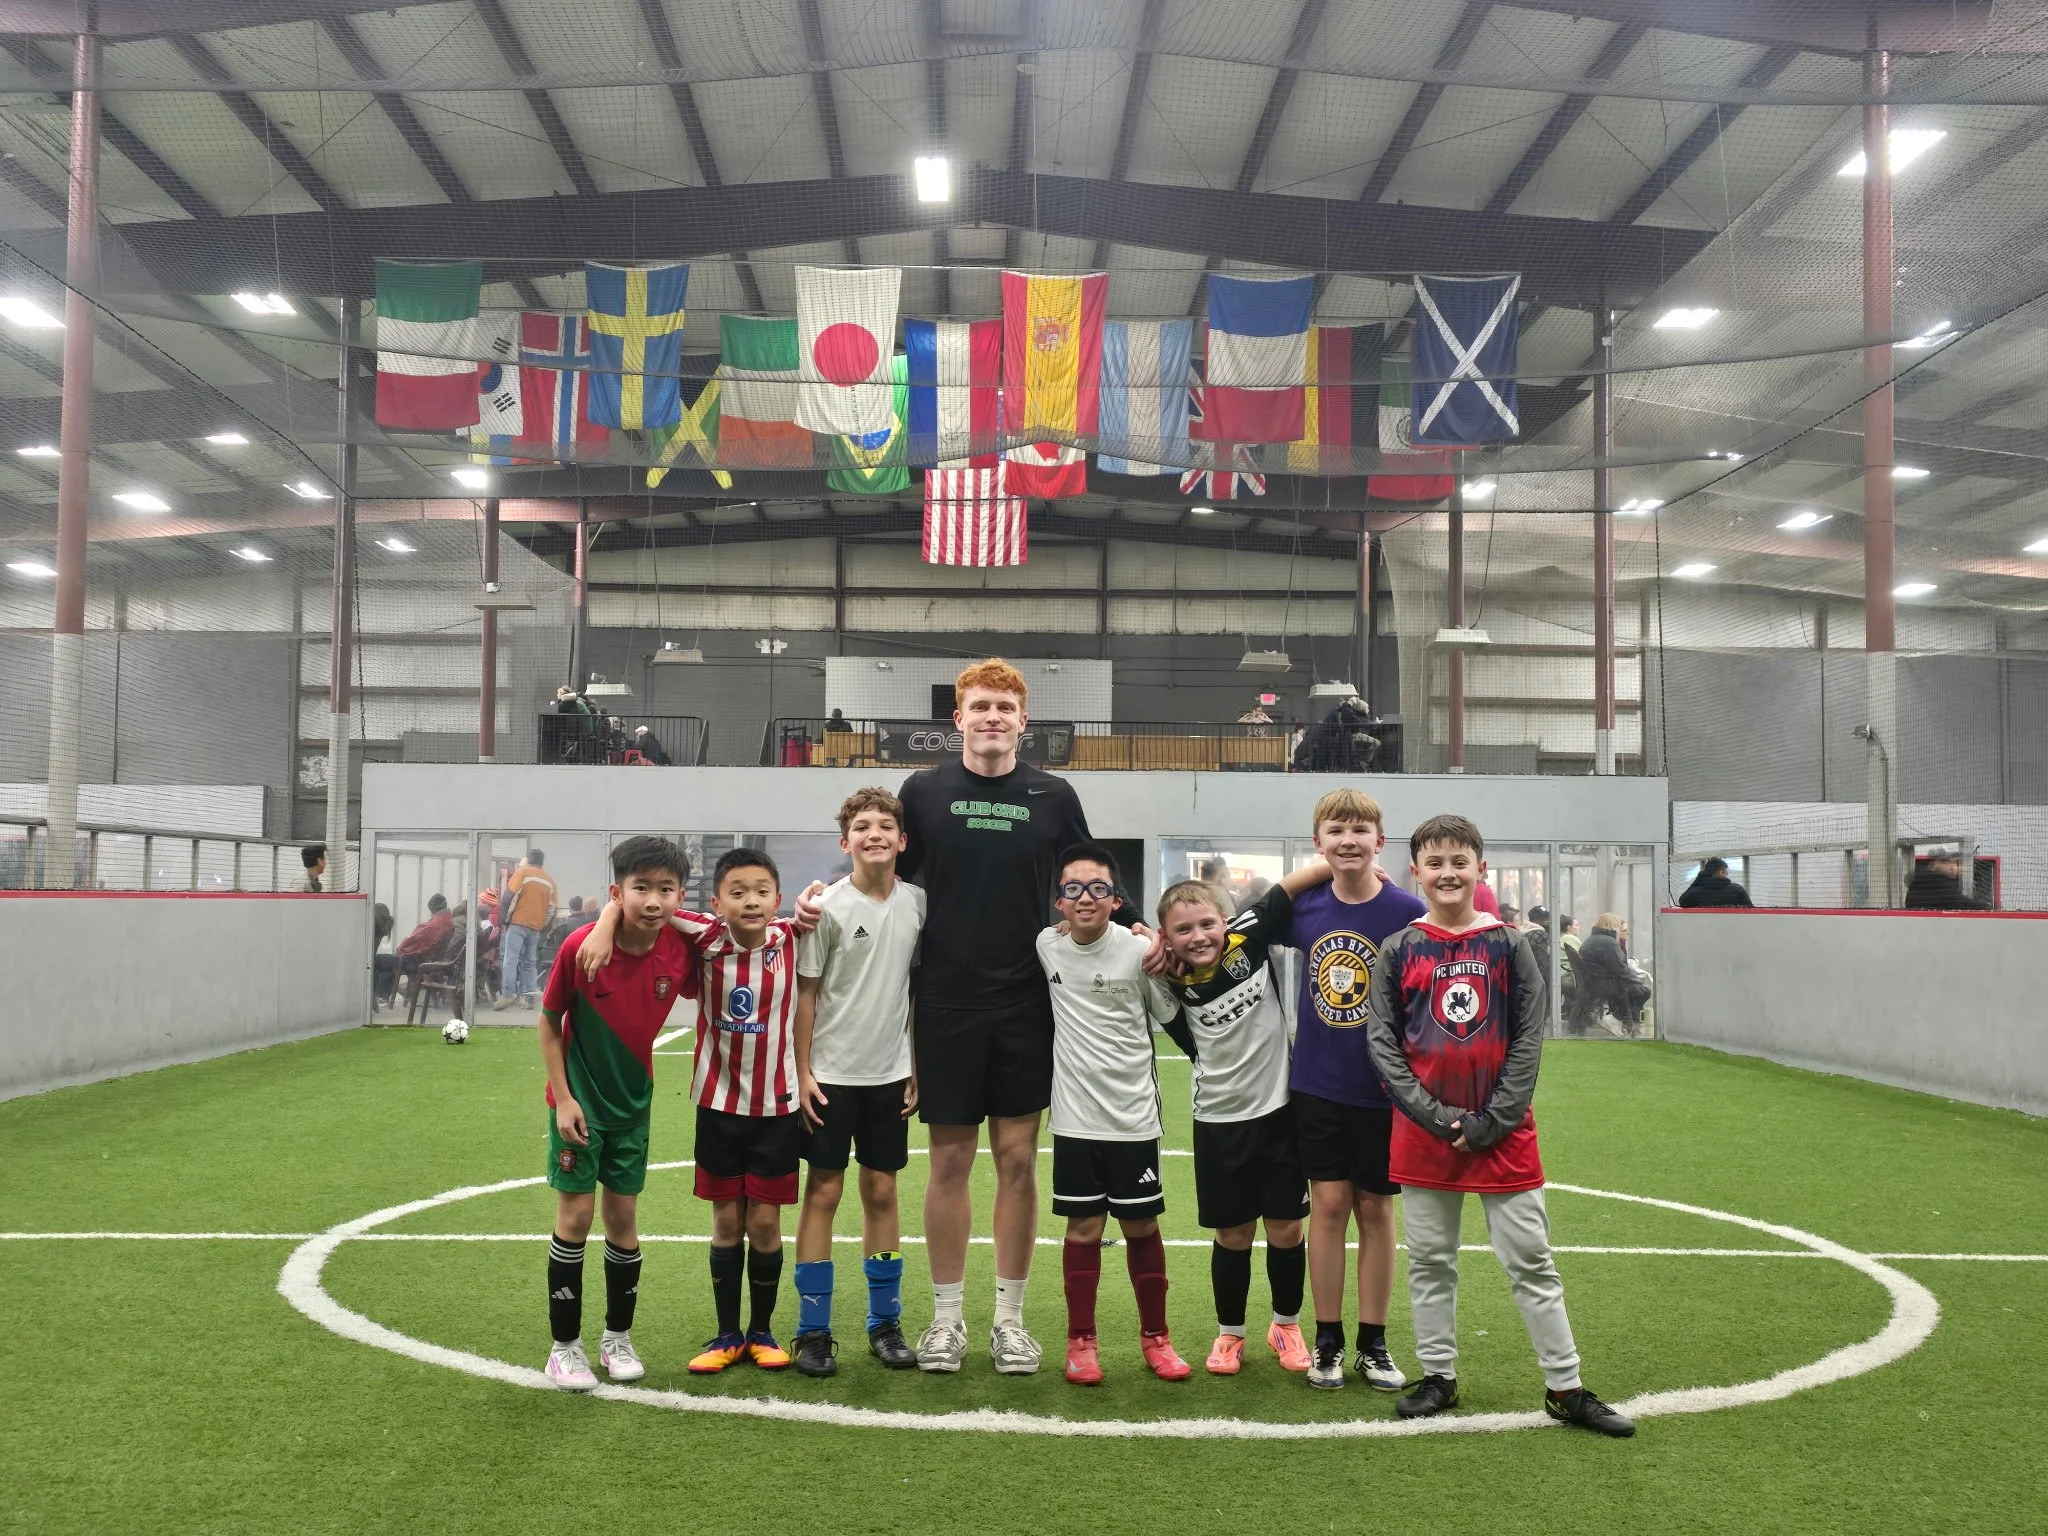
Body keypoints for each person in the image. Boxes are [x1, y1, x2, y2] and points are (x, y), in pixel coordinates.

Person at [799, 658, 1131, 1378]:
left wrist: (1139, 930)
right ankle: (946, 1320)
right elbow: (882, 864)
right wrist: (819, 894)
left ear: (1023, 721)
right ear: (957, 720)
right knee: (949, 1163)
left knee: (1018, 1163)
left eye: (1004, 709)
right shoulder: (923, 790)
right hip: (943, 1004)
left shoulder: (1053, 793)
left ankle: (1009, 1322)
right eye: (978, 707)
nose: (991, 718)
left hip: (1026, 1003)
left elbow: (1089, 874)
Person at [1365, 813, 1634, 1437]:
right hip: (1424, 1134)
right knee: (1430, 1260)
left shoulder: (1513, 944)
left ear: (1479, 869)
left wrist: (1493, 1119)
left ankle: (1564, 1387)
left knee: (1532, 1262)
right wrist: (1438, 1117)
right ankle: (1438, 1376)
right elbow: (1383, 1043)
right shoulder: (1399, 948)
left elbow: (1527, 1039)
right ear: (1417, 872)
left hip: (1504, 1134)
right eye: (1435, 862)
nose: (1448, 872)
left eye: (1460, 861)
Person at [584, 848, 809, 1374]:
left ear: (777, 898)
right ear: (716, 902)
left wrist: (816, 895)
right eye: (737, 892)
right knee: (727, 1222)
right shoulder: (706, 937)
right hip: (718, 1106)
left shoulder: (796, 937)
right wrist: (602, 923)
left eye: (761, 891)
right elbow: (644, 901)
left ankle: (763, 1332)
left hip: (777, 1107)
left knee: (768, 1226)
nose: (750, 901)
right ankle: (727, 1335)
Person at [1153, 858, 1336, 1376]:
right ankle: (1230, 1334)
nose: (1199, 936)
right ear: (1167, 939)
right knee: (1232, 1235)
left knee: (1285, 1229)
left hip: (1279, 1112)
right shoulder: (1166, 980)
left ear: (1225, 921)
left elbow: (1288, 885)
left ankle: (1286, 1325)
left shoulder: (1247, 938)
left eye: (1208, 923)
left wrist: (1349, 864)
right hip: (1217, 1122)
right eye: (1183, 930)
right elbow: (1189, 1044)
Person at [535, 836, 697, 1391]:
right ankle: (565, 1348)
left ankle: (617, 1338)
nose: (653, 900)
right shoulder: (581, 947)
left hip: (634, 1106)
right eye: (639, 888)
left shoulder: (680, 947)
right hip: (579, 1106)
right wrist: (564, 1098)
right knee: (575, 1219)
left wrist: (611, 915)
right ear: (617, 890)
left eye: (665, 889)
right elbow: (548, 1022)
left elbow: (728, 927)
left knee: (623, 1222)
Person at [1283, 789, 1427, 1391]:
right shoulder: (1305, 908)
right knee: (1329, 1205)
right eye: (1335, 830)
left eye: (1360, 829)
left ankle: (1374, 1342)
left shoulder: (1406, 912)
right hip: (1317, 1085)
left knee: (1375, 1208)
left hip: (1383, 1090)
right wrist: (1308, 875)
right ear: (1318, 844)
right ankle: (1327, 1340)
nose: (1348, 839)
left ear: (1380, 841)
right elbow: (1242, 914)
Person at [1039, 844, 1189, 1385]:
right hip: (1075, 1119)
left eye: (1098, 888)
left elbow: (1172, 1016)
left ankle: (1157, 1338)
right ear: (1059, 901)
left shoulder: (1138, 952)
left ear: (1115, 899)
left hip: (1133, 1118)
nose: (1085, 897)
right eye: (1074, 888)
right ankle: (1081, 1342)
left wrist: (1158, 944)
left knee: (1141, 1223)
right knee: (1083, 1228)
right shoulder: (1047, 946)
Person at [791, 788, 927, 1378]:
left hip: (890, 1075)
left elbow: (917, 993)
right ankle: (812, 1331)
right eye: (863, 827)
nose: (875, 834)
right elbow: (807, 994)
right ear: (845, 842)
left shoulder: (919, 903)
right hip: (830, 1078)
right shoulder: (825, 908)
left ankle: (885, 1323)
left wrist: (916, 1062)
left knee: (882, 1192)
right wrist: (801, 1072)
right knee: (822, 1191)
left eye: (886, 825)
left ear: (903, 840)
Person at [1569, 914, 1650, 1036]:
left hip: (1592, 982)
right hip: (1604, 984)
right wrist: (1637, 979)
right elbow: (1620, 969)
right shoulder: (1609, 943)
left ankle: (1626, 1022)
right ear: (1612, 926)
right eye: (1618, 926)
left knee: (1635, 987)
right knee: (1642, 991)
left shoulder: (1593, 939)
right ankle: (1620, 1019)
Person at [496, 850, 557, 1010]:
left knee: (510, 959)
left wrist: (503, 920)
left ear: (529, 860)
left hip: (517, 923)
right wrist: (543, 927)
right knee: (529, 962)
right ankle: (529, 998)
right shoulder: (550, 880)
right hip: (535, 927)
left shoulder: (522, 873)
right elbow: (552, 909)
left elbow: (508, 897)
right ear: (542, 862)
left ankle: (508, 995)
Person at [1291, 696, 1381, 773]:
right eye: (1367, 709)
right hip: (1331, 746)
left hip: (1330, 746)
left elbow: (1360, 721)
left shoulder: (1339, 712)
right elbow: (1356, 720)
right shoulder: (1345, 712)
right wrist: (1348, 704)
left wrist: (1374, 723)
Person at [396, 894, 455, 986]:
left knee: (377, 962)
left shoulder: (432, 926)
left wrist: (400, 948)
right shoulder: (449, 922)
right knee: (384, 971)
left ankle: (382, 995)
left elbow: (405, 947)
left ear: (432, 909)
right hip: (433, 962)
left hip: (420, 963)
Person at [1904, 849, 1990, 911]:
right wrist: (1986, 905)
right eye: (1947, 862)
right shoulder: (1939, 883)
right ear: (1935, 863)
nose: (1953, 867)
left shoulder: (1921, 879)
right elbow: (1962, 902)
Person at [1679, 857, 1755, 909]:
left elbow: (1682, 902)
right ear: (1721, 872)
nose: (1727, 874)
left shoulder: (1696, 893)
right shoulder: (1737, 890)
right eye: (1726, 872)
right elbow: (1751, 910)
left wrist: (1699, 879)